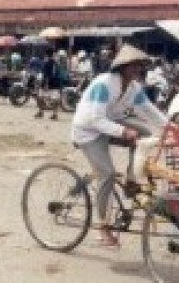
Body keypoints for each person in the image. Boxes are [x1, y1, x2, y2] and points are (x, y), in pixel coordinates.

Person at [72, 44, 168, 246]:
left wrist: (172, 128)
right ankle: (103, 228)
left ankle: (132, 179)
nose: (137, 70)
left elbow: (149, 111)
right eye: (133, 66)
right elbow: (95, 120)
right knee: (107, 174)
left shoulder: (133, 88)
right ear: (122, 67)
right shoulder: (104, 85)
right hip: (88, 131)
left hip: (111, 124)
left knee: (145, 134)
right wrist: (123, 131)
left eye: (139, 66)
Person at [36, 48, 60, 120]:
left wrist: (46, 84)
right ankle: (55, 114)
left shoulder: (46, 63)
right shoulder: (56, 63)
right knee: (55, 99)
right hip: (55, 83)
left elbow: (45, 75)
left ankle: (41, 112)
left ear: (46, 55)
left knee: (40, 97)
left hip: (47, 83)